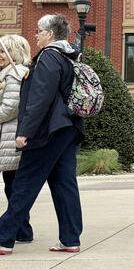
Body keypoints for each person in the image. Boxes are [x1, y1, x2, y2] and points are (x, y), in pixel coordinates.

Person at [0, 15, 84, 256]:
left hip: (47, 130)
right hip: (68, 128)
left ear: (49, 34)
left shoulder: (48, 56)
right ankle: (70, 238)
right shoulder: (69, 55)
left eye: (38, 31)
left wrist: (25, 131)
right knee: (64, 184)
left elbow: (41, 98)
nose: (35, 35)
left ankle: (4, 238)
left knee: (25, 183)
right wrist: (31, 75)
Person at [0, 35, 33, 244]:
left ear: (14, 52)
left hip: (11, 138)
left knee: (13, 186)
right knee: (12, 185)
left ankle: (18, 229)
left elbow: (10, 107)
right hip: (9, 138)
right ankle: (22, 229)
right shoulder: (12, 73)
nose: (0, 55)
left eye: (4, 51)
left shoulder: (14, 74)